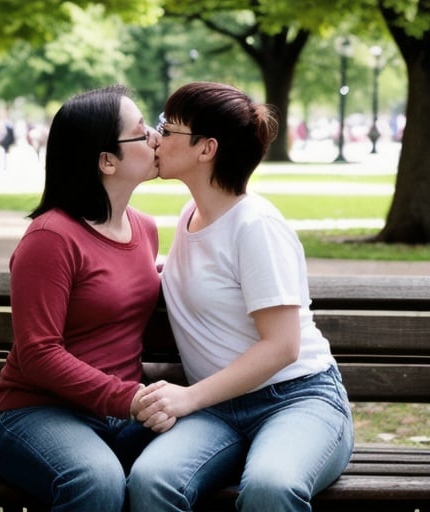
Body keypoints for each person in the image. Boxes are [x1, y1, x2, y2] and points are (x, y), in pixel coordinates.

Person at [128, 82, 354, 512]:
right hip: (218, 408)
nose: (156, 137)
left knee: (271, 486)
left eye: (168, 128)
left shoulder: (256, 226)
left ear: (205, 149)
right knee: (151, 480)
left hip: (297, 398)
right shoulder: (191, 215)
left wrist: (188, 397)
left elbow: (283, 346)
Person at [0, 85, 170, 512]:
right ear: (107, 160)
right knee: (97, 480)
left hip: (118, 416)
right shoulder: (51, 238)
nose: (156, 139)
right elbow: (37, 352)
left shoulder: (144, 229)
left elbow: (127, 306)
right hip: (36, 414)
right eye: (142, 133)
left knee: (210, 446)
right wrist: (126, 398)